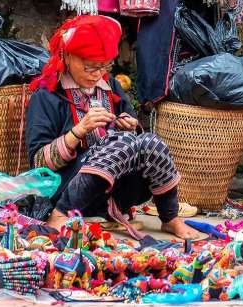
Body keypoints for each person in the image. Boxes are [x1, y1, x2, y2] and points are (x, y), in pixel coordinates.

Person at [24, 15, 198, 240]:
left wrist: (131, 126)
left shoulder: (110, 86)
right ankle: (59, 215)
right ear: (67, 56)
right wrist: (78, 131)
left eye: (103, 67)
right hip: (66, 189)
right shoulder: (47, 96)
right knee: (121, 143)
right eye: (89, 67)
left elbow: (136, 144)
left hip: (115, 192)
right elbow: (38, 163)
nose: (97, 74)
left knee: (151, 143)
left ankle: (170, 217)